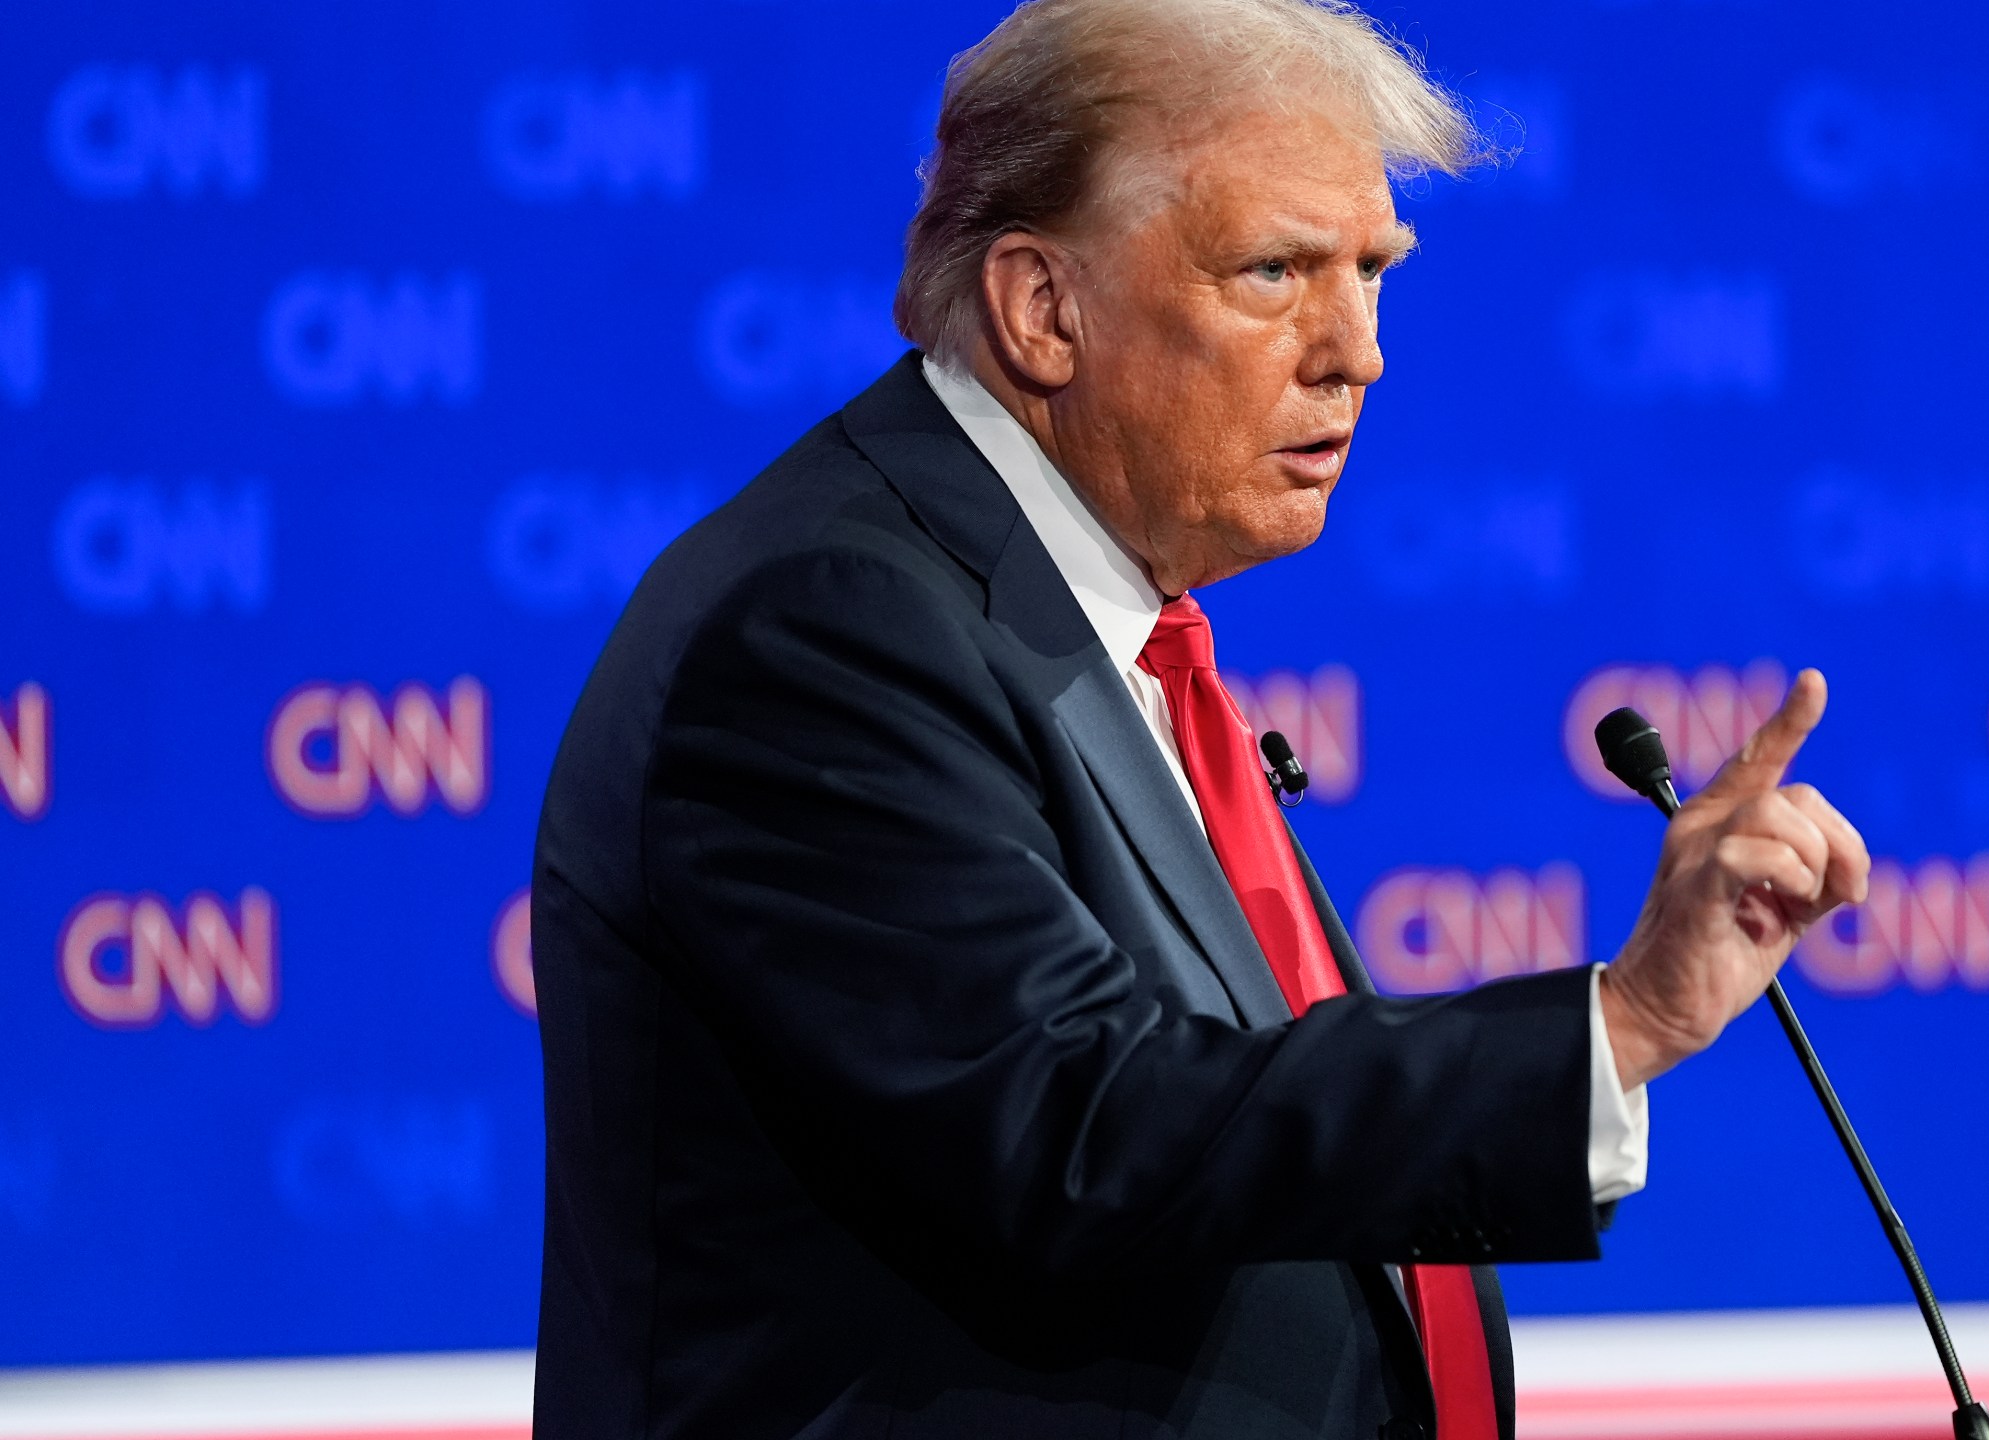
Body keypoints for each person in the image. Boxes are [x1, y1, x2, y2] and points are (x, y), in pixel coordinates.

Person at [529, 2, 1871, 1437]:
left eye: (1372, 272)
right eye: (1274, 271)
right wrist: (1617, 1023)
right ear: (1043, 309)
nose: (1355, 351)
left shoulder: (1094, 620)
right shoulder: (826, 625)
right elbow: (1077, 1125)